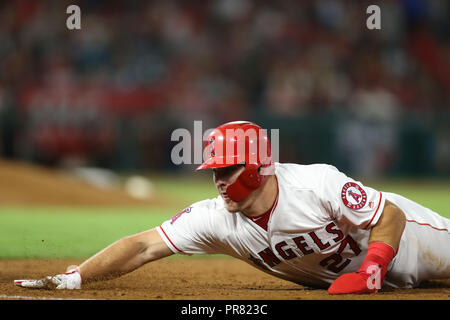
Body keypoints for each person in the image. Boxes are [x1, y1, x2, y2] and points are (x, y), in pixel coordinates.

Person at [15, 121, 450, 294]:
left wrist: (371, 268)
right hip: (364, 276)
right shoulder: (215, 218)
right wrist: (72, 279)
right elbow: (143, 246)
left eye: (227, 168)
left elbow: (386, 215)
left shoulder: (315, 183)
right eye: (214, 171)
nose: (219, 179)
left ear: (259, 167)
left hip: (412, 239)